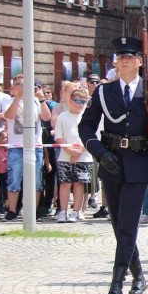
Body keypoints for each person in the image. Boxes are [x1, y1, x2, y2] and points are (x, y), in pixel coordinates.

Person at [78, 36, 148, 294]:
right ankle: (138, 275)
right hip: (111, 161)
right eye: (120, 57)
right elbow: (86, 126)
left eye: (130, 56)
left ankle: (116, 284)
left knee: (127, 224)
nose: (125, 61)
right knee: (118, 225)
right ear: (116, 62)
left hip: (139, 162)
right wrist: (99, 152)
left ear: (140, 61)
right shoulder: (103, 92)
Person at [2, 74, 52, 220]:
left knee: (36, 179)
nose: (23, 87)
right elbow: (9, 115)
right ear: (13, 88)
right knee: (14, 178)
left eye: (26, 84)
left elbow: (47, 117)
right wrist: (18, 98)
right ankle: (12, 210)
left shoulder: (36, 101)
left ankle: (33, 211)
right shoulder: (9, 101)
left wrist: (41, 99)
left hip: (34, 145)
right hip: (16, 146)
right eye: (19, 84)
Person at [54, 86, 93, 222]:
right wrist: (70, 151)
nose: (81, 105)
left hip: (84, 156)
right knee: (65, 184)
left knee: (79, 184)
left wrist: (78, 152)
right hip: (65, 155)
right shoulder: (62, 117)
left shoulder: (87, 117)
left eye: (84, 102)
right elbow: (58, 137)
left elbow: (90, 137)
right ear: (70, 101)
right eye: (78, 101)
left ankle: (76, 211)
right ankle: (63, 211)